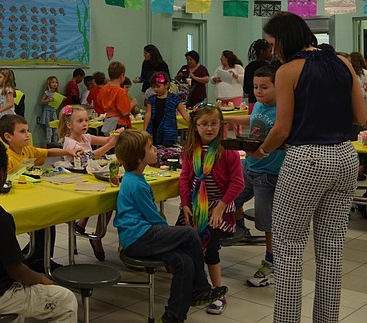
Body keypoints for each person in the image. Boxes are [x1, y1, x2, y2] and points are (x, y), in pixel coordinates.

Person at [258, 11, 365, 323]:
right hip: (345, 157)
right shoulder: (343, 62)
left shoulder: (288, 70)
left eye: (272, 43)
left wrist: (260, 151)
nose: (272, 51)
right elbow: (360, 117)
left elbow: (281, 129)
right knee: (331, 249)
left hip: (307, 160)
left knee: (288, 248)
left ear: (285, 39)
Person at [0, 136, 78, 322]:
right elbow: (16, 271)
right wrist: (42, 279)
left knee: (24, 297)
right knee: (66, 299)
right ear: (3, 174)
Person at [114, 130, 227, 323]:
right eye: (150, 147)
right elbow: (153, 217)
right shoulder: (136, 184)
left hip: (140, 238)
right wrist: (173, 236)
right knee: (189, 234)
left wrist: (172, 238)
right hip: (139, 238)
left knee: (184, 261)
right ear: (140, 157)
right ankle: (200, 288)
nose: (155, 149)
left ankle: (173, 317)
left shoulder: (134, 178)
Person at [177, 106, 244, 315]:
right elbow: (184, 179)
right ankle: (193, 286)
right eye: (204, 124)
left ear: (221, 126)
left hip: (219, 207)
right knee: (181, 243)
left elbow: (238, 183)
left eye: (214, 124)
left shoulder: (228, 151)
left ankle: (217, 292)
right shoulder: (190, 149)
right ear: (195, 127)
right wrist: (185, 204)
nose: (209, 128)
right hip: (196, 206)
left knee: (209, 247)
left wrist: (220, 207)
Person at [0, 114, 80, 272]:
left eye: (27, 130)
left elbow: (47, 152)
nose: (27, 135)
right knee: (44, 225)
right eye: (22, 131)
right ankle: (36, 259)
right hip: (15, 202)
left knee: (48, 223)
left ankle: (40, 258)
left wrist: (68, 151)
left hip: (31, 197)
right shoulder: (7, 158)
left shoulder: (28, 150)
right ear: (8, 137)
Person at [228, 65, 281, 287]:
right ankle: (240, 227)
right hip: (249, 166)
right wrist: (227, 118)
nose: (259, 91)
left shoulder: (283, 111)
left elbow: (281, 135)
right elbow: (252, 119)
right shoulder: (259, 104)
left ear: (278, 87)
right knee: (230, 199)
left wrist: (263, 152)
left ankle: (272, 262)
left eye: (264, 87)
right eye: (256, 86)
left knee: (267, 221)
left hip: (268, 174)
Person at [59, 104, 116, 260]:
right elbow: (88, 157)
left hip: (88, 177)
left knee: (109, 199)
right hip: (75, 181)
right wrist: (110, 145)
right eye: (80, 121)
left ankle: (95, 233)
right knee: (101, 198)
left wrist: (115, 136)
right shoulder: (70, 143)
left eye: (86, 120)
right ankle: (87, 227)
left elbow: (107, 139)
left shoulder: (86, 137)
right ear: (69, 125)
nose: (85, 124)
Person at [144, 72, 190, 148]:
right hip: (154, 131)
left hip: (169, 133)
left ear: (167, 85)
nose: (155, 89)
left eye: (158, 86)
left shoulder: (174, 98)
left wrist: (193, 126)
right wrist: (145, 131)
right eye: (153, 87)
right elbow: (147, 115)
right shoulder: (151, 100)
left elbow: (184, 114)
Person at [98, 61, 134, 134]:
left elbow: (99, 102)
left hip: (108, 119)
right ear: (122, 75)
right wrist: (132, 104)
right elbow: (125, 112)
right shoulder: (121, 92)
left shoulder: (104, 88)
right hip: (119, 122)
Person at [244, 39, 273, 112]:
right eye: (269, 51)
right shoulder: (270, 68)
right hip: (267, 104)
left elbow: (246, 89)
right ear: (262, 51)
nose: (272, 53)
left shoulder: (249, 67)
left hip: (252, 103)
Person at [349, 52, 367, 122]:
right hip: (364, 98)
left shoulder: (349, 71)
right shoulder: (364, 72)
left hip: (352, 98)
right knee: (363, 119)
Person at [40, 75, 60, 144]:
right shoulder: (47, 92)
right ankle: (48, 143)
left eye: (56, 82)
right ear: (49, 84)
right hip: (47, 111)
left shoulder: (57, 93)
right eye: (53, 82)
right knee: (49, 129)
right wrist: (48, 100)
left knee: (55, 128)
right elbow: (41, 101)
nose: (55, 84)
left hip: (53, 111)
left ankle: (55, 142)